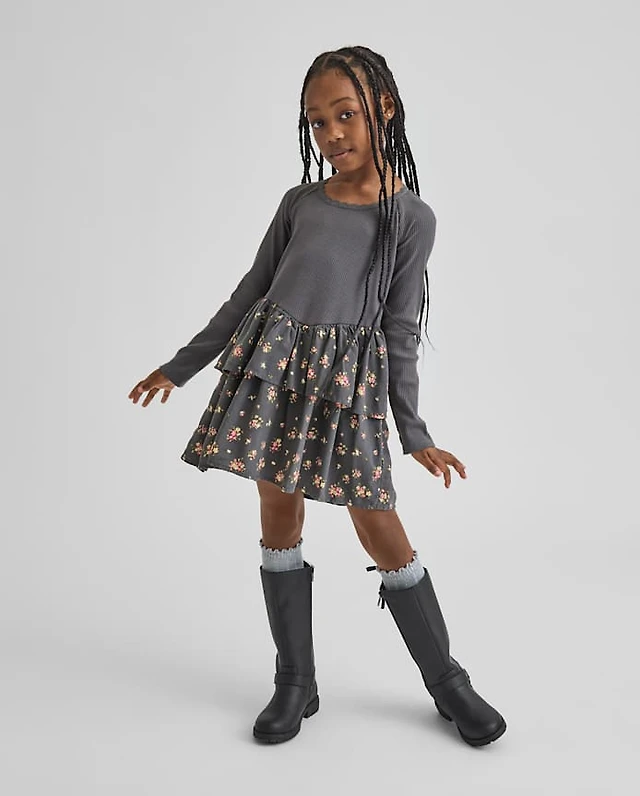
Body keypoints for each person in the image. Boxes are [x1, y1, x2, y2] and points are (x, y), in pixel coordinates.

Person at [128, 45, 506, 748]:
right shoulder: (299, 203)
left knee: (378, 521)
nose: (331, 134)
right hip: (274, 374)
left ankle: (448, 682)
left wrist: (415, 433)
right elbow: (251, 291)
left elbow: (399, 330)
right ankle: (295, 682)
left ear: (383, 110)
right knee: (277, 509)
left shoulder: (410, 219)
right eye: (317, 122)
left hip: (344, 388)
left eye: (345, 115)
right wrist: (180, 368)